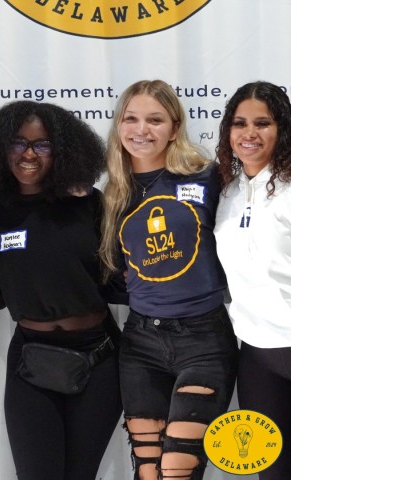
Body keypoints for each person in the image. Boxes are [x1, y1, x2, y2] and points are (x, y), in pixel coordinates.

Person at [0, 100, 123, 480]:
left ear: (62, 151)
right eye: (18, 143)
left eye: (42, 145)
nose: (28, 154)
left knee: (80, 474)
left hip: (98, 358)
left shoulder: (89, 203)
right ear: (0, 149)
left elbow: (119, 278)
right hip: (31, 362)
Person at [98, 80, 239, 480]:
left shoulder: (208, 177)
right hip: (141, 343)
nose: (141, 130)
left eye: (155, 120)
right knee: (147, 468)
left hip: (204, 339)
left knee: (179, 469)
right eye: (132, 118)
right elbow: (110, 272)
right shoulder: (113, 193)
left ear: (174, 128)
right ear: (119, 125)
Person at [214, 81, 291, 480]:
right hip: (256, 354)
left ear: (283, 130)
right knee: (273, 473)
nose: (250, 133)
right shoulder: (227, 188)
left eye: (263, 123)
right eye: (240, 123)